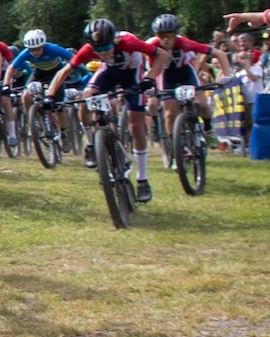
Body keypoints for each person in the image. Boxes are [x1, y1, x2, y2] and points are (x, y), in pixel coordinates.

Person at [43, 18, 169, 200]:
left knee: (136, 126)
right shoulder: (89, 50)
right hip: (108, 72)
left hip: (131, 74)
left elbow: (163, 55)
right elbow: (63, 73)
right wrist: (50, 96)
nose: (101, 53)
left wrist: (149, 78)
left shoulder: (128, 42)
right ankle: (91, 144)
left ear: (114, 42)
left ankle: (142, 179)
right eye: (97, 50)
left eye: (105, 49)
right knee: (85, 98)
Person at [147, 14, 229, 160]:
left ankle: (209, 129)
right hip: (165, 75)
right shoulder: (151, 45)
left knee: (202, 104)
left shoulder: (184, 43)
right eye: (161, 35)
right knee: (169, 114)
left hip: (186, 72)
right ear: (156, 34)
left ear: (175, 34)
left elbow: (219, 53)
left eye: (169, 35)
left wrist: (227, 75)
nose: (165, 39)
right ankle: (175, 148)